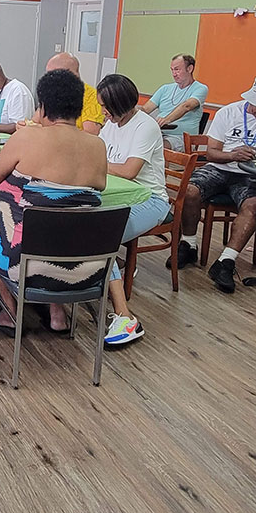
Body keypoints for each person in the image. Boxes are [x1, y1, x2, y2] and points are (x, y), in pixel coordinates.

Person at [0, 69, 109, 335]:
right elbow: (97, 188)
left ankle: (10, 313)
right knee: (63, 225)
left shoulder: (26, 137)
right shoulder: (98, 146)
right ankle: (57, 313)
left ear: (42, 107)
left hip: (26, 266)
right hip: (87, 268)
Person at [176, 75, 256, 292]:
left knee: (254, 205)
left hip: (253, 174)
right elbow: (211, 153)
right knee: (189, 190)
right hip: (220, 167)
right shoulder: (228, 112)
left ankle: (226, 261)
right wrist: (232, 155)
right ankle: (188, 244)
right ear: (250, 99)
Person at [96, 74, 171, 346]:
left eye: (106, 106)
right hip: (117, 196)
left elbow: (129, 171)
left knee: (102, 236)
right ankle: (108, 273)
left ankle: (125, 317)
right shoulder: (111, 124)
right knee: (84, 223)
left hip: (150, 200)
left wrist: (93, 164)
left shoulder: (145, 126)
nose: (103, 112)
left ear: (121, 104)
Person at [141, 53, 209, 151]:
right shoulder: (165, 88)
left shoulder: (200, 88)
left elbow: (187, 106)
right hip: (160, 133)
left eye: (177, 69)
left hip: (181, 138)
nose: (174, 74)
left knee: (156, 147)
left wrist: (167, 120)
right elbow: (145, 109)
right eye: (172, 70)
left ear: (189, 69)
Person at [44, 52, 104, 134]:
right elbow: (35, 121)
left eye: (52, 75)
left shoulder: (92, 96)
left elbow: (90, 134)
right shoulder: (51, 93)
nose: (48, 80)